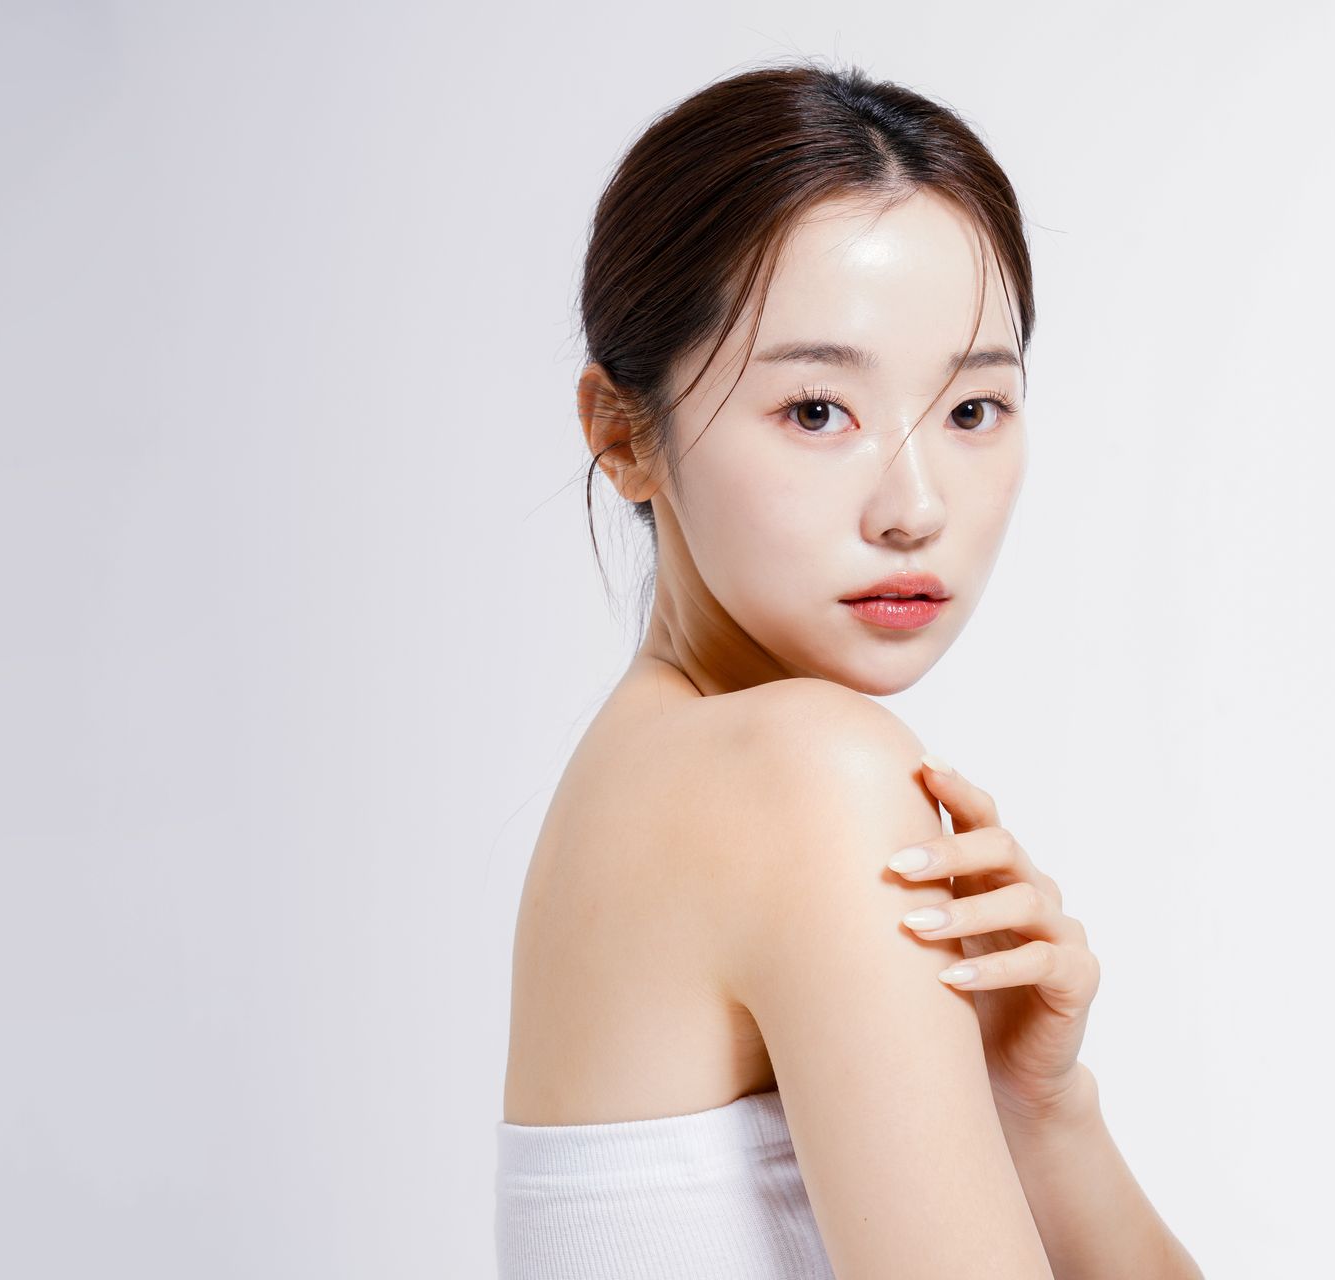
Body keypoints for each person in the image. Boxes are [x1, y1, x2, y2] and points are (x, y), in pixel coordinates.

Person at [496, 58, 1204, 1279]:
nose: (916, 506)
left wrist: (1043, 1103)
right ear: (623, 433)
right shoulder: (804, 771)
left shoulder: (645, 770)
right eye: (818, 410)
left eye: (972, 410)